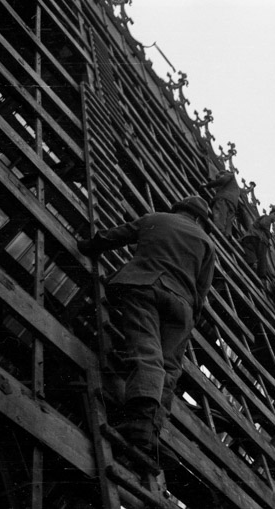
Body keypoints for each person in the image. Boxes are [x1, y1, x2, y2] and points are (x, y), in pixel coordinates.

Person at [78, 196, 215, 459]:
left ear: (178, 209)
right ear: (199, 219)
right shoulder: (207, 243)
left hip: (145, 285)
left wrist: (88, 246)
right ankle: (152, 428)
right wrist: (187, 320)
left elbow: (115, 236)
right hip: (181, 306)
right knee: (170, 367)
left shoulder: (156, 218)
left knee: (146, 348)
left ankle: (140, 419)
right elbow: (202, 290)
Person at [241, 208, 275, 278]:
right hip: (258, 239)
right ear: (270, 213)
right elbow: (263, 224)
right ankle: (262, 276)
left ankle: (253, 264)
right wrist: (269, 234)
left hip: (254, 238)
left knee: (252, 251)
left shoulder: (268, 220)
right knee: (262, 257)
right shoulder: (267, 217)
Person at [200, 170, 239, 234]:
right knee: (228, 222)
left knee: (219, 214)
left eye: (219, 177)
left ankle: (218, 232)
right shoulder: (234, 186)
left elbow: (222, 180)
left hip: (224, 199)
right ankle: (227, 235)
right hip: (233, 206)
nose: (218, 179)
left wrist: (208, 185)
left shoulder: (229, 175)